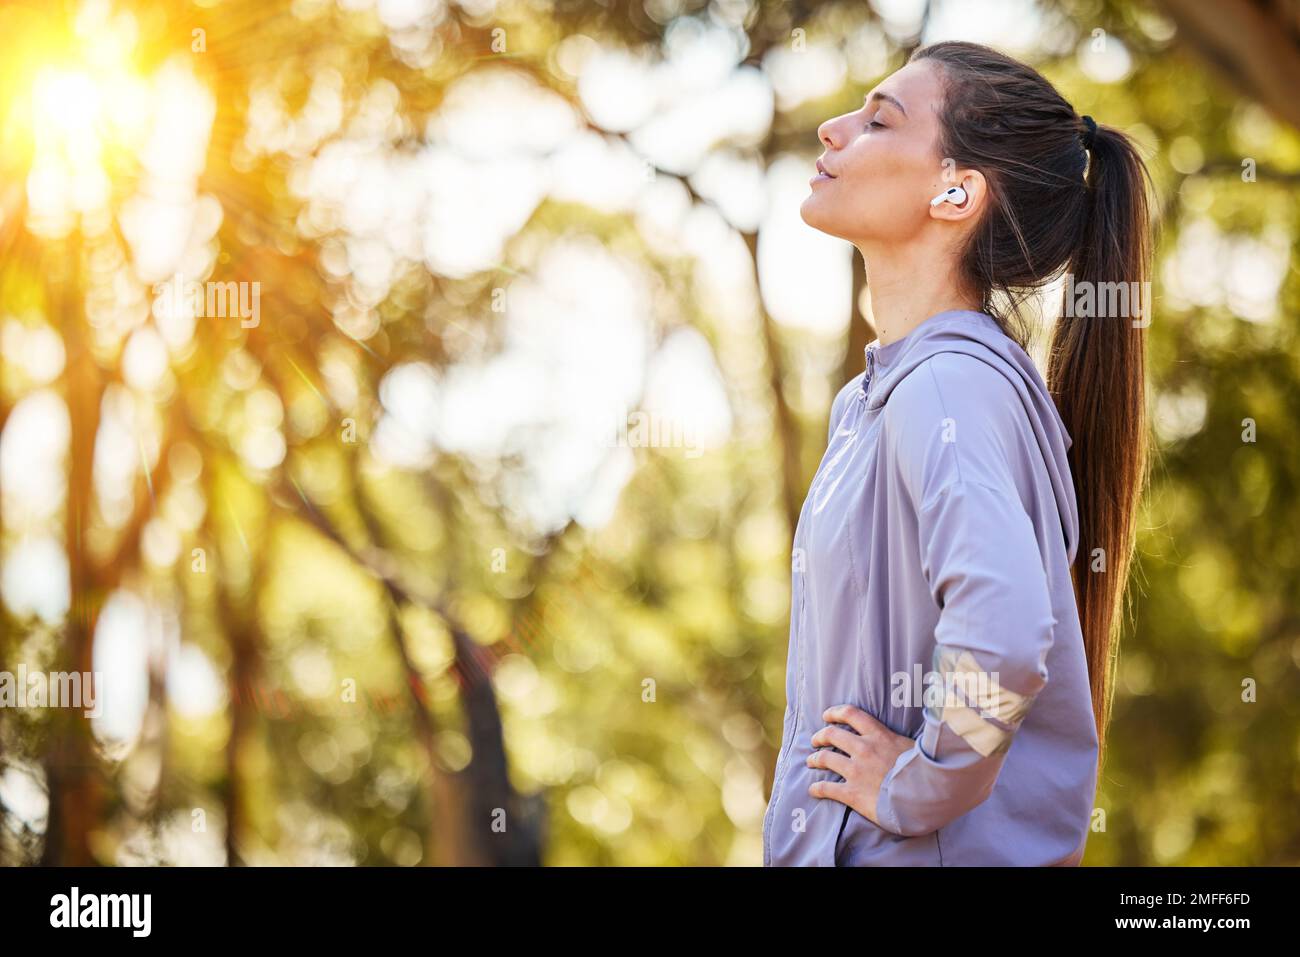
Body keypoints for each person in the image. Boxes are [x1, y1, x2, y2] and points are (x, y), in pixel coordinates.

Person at [761, 40, 1153, 866]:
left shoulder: (948, 387)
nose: (832, 130)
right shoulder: (882, 398)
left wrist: (921, 784)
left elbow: (1005, 635)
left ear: (956, 191)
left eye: (877, 120)